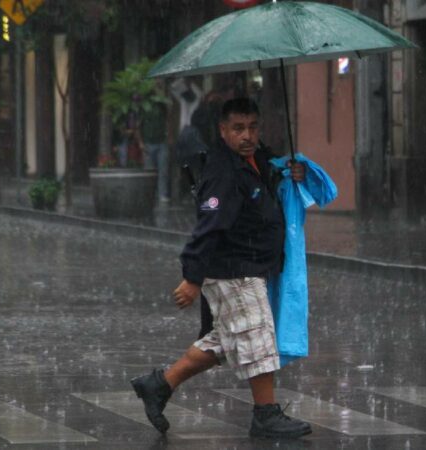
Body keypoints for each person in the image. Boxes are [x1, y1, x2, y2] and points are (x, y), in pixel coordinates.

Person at [130, 98, 311, 439]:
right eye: (239, 128)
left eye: (253, 127)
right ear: (223, 130)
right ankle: (265, 415)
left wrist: (290, 171)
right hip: (233, 268)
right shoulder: (223, 171)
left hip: (251, 265)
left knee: (227, 340)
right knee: (257, 335)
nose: (247, 135)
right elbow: (208, 226)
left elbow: (271, 182)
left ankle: (159, 385)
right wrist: (192, 276)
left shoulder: (256, 160)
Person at [140, 91, 170, 203]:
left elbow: (167, 120)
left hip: (161, 142)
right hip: (148, 142)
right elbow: (138, 125)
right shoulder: (143, 106)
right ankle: (150, 194)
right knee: (149, 171)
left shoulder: (162, 105)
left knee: (163, 170)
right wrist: (141, 143)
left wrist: (168, 135)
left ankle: (162, 194)